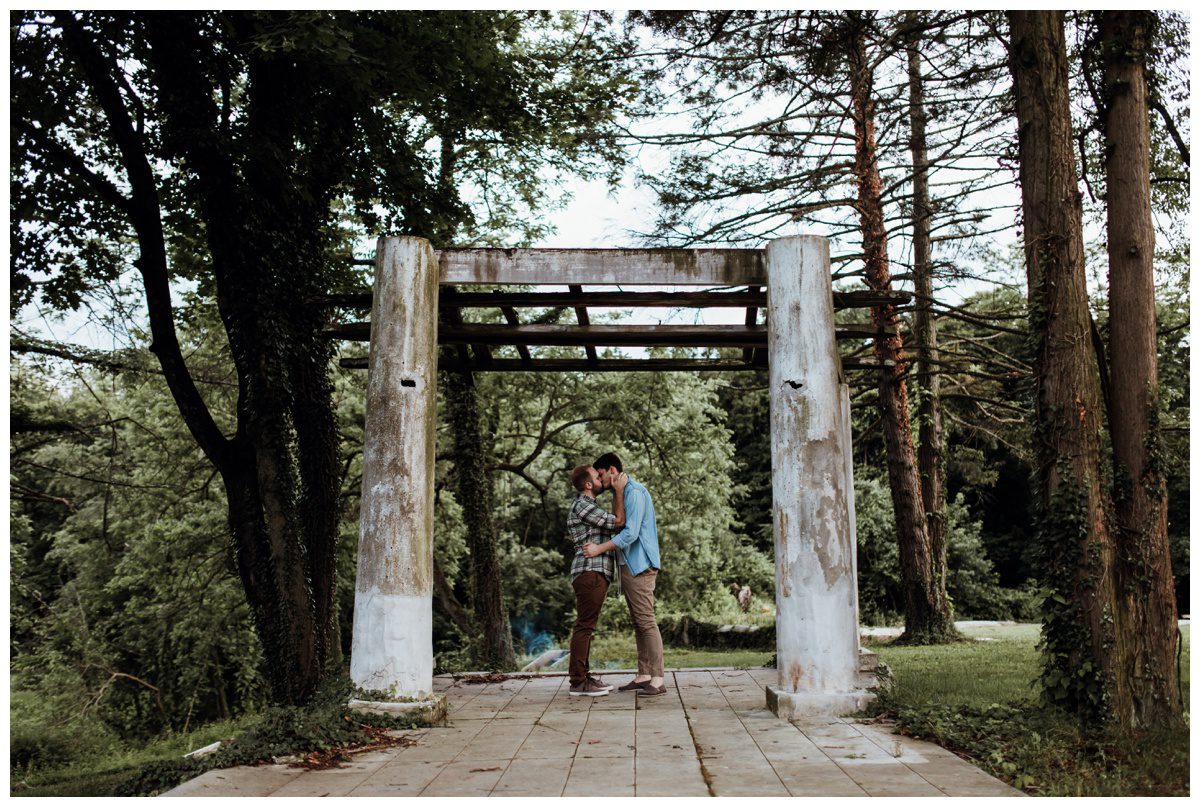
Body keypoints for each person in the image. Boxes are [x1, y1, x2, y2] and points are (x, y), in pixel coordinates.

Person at [582, 452, 665, 696]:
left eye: (601, 475)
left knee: (646, 621)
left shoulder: (635, 493)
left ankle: (658, 680)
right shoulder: (623, 493)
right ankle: (644, 674)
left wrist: (598, 548)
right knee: (639, 622)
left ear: (612, 470)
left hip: (641, 565)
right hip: (630, 565)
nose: (599, 480)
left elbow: (630, 534)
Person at [565, 464, 627, 697]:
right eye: (596, 475)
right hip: (590, 571)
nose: (601, 477)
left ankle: (583, 677)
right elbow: (619, 522)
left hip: (593, 572)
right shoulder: (583, 505)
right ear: (589, 484)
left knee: (586, 626)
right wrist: (619, 491)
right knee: (585, 626)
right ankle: (579, 682)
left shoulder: (588, 506)